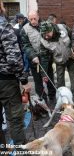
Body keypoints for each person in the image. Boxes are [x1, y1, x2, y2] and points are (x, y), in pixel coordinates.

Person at [0, 13, 31, 146]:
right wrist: (24, 80)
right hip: (5, 80)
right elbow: (13, 59)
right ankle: (21, 152)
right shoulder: (3, 26)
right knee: (15, 120)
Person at [39, 21, 74, 108]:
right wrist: (44, 74)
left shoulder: (62, 27)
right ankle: (62, 102)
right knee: (60, 82)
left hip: (70, 57)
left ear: (52, 29)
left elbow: (73, 35)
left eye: (48, 33)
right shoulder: (43, 40)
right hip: (59, 61)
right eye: (44, 34)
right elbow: (44, 58)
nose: (46, 36)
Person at [21, 10, 56, 102]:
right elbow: (25, 45)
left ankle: (53, 97)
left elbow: (52, 38)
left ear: (38, 17)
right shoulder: (24, 29)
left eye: (34, 18)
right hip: (34, 59)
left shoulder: (45, 25)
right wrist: (33, 56)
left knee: (49, 77)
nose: (33, 21)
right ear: (28, 19)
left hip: (46, 58)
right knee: (38, 82)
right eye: (31, 19)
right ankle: (42, 99)